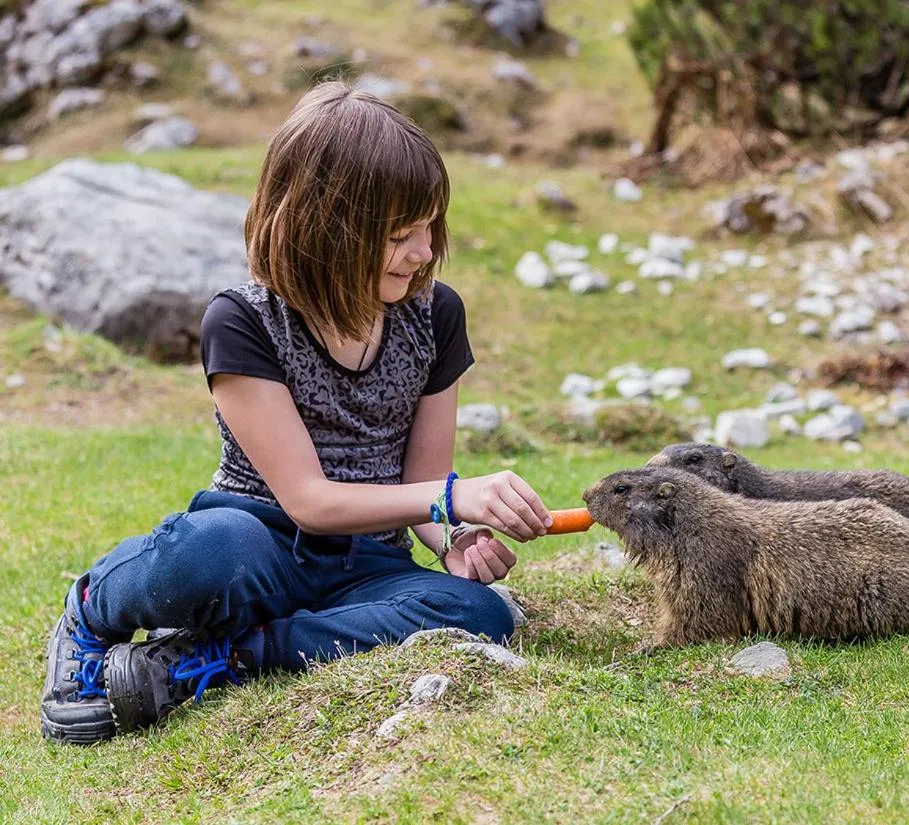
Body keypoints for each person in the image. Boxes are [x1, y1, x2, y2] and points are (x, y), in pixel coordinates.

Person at [40, 81, 552, 745]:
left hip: (366, 564)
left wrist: (453, 535)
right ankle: (90, 608)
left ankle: (224, 655)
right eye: (401, 235)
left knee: (478, 611)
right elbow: (308, 500)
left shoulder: (436, 315)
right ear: (328, 230)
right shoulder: (242, 321)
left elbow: (423, 485)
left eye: (429, 227)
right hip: (258, 544)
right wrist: (452, 497)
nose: (424, 252)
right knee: (210, 552)